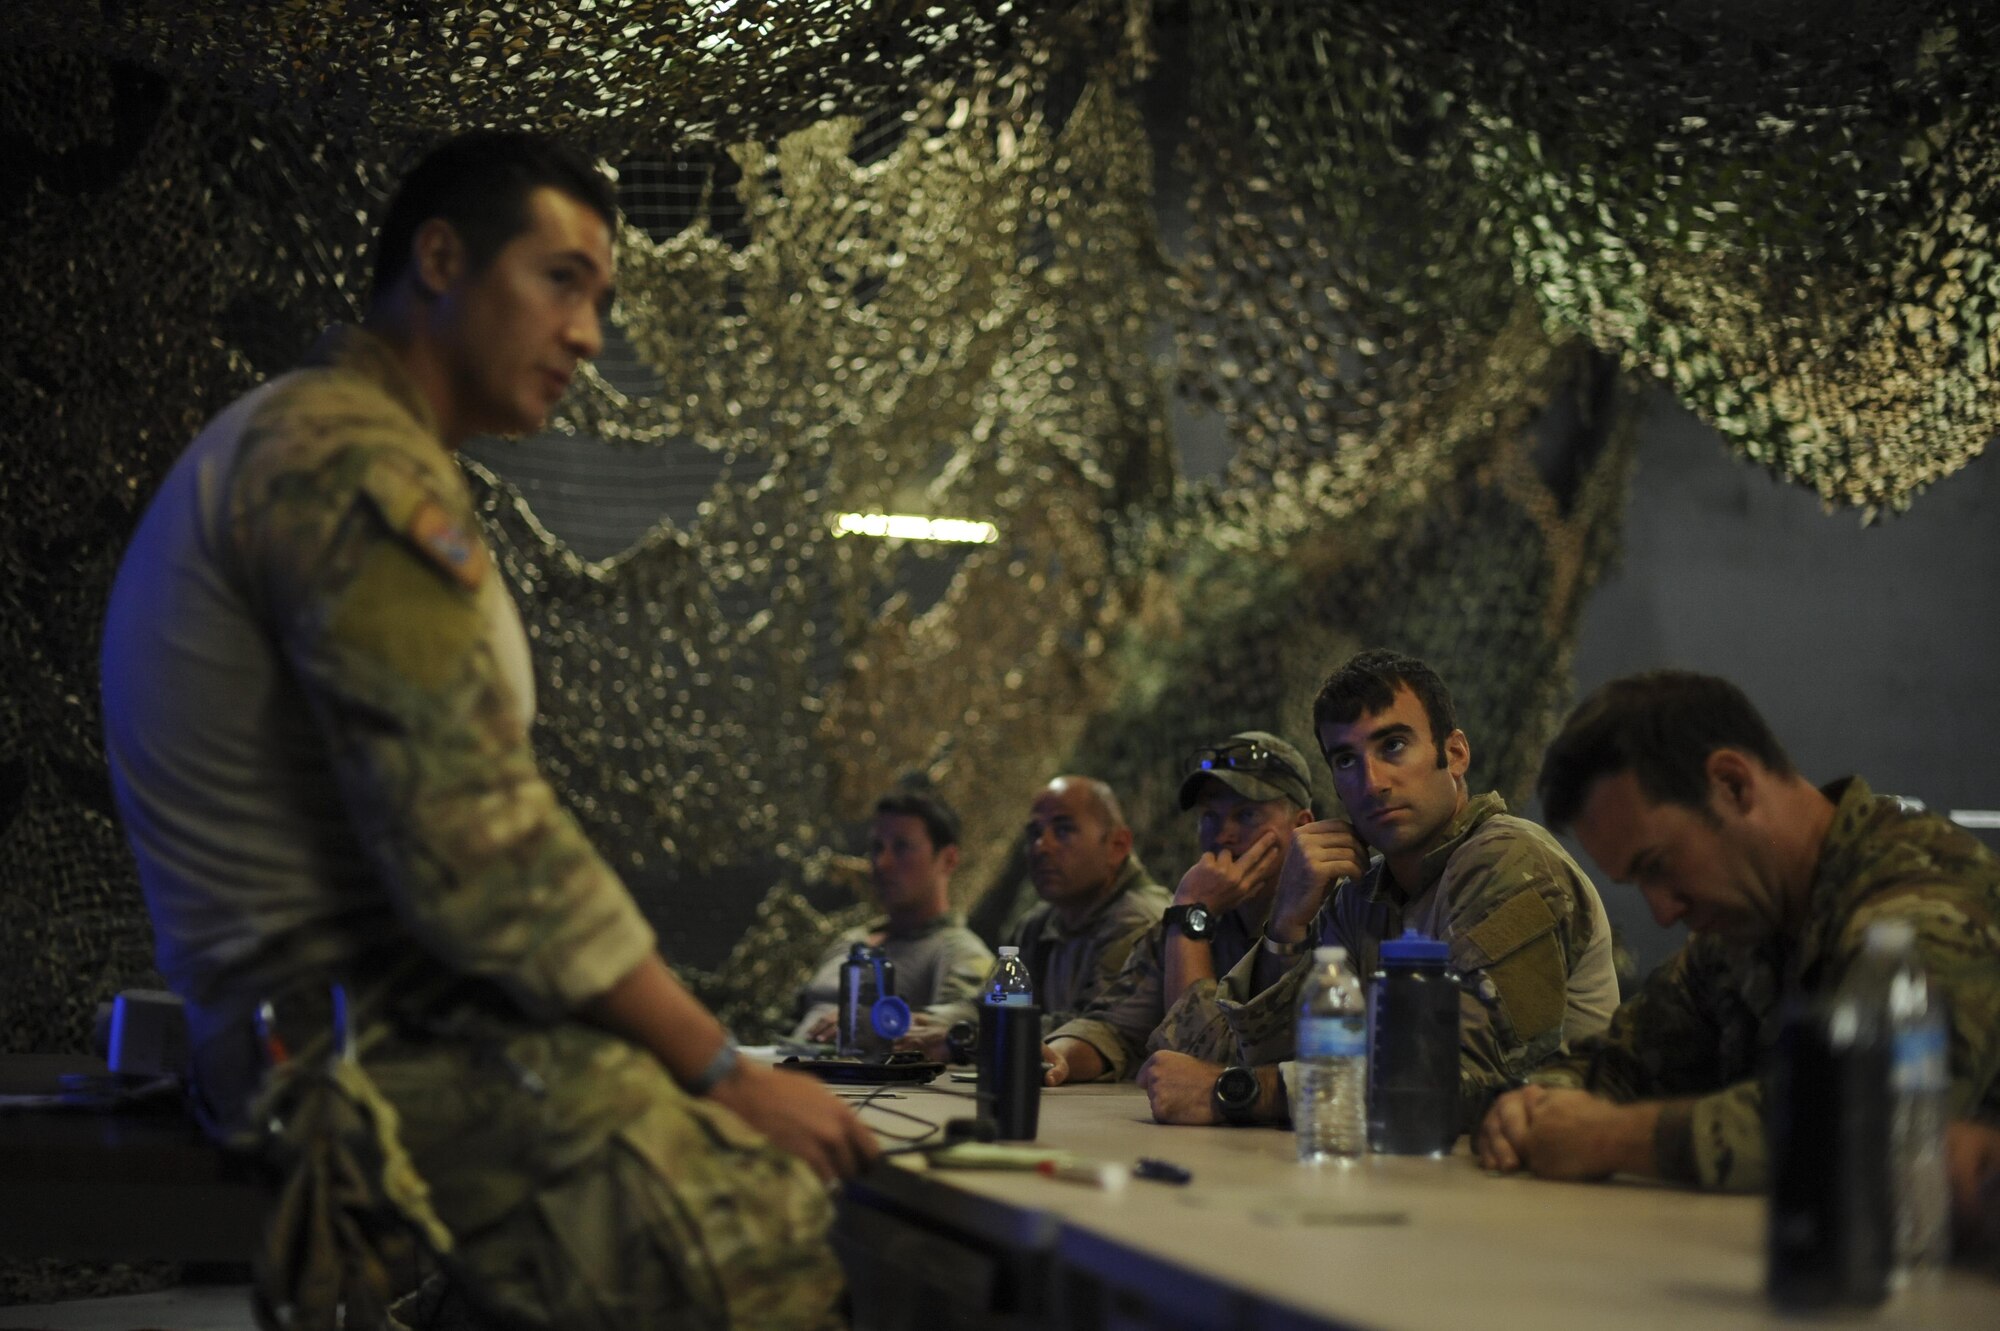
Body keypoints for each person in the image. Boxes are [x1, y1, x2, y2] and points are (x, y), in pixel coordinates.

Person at [100, 130, 873, 1330]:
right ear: (444, 259)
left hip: (354, 1029)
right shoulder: (344, 459)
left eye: (602, 298)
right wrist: (720, 1063)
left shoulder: (328, 441)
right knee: (749, 1246)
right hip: (356, 1050)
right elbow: (477, 846)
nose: (588, 334)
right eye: (560, 280)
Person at [1474, 671, 2000, 1193]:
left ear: (1733, 785)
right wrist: (1534, 1107)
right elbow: (1620, 1063)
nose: (1661, 910)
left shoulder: (1926, 902)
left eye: (1658, 865)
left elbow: (1873, 1114)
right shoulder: (1741, 930)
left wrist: (1614, 1139)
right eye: (1636, 882)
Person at [1137, 650, 1619, 1130]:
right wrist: (1287, 924)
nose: (1371, 782)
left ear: (1454, 754)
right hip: (1423, 1178)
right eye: (1346, 760)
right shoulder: (1360, 893)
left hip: (1539, 1192)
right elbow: (1261, 1054)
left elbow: (1461, 1082)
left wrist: (1239, 1093)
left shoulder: (1508, 860)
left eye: (1392, 746)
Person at [1043, 733, 1316, 1085]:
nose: (1223, 836)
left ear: (1302, 827)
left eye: (1246, 815)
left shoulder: (1330, 915)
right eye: (1209, 817)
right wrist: (1059, 1056)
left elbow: (1200, 1066)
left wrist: (1191, 914)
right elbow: (1114, 1027)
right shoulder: (1202, 913)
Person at [792, 785, 993, 1043]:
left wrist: (876, 1023)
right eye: (877, 847)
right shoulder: (851, 940)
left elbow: (962, 1025)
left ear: (948, 859)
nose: (882, 863)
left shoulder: (958, 950)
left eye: (901, 847)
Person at [1002, 775, 1169, 1031]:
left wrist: (980, 1034)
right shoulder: (1038, 926)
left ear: (1117, 845)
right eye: (1035, 833)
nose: (1040, 847)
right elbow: (995, 1002)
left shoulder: (1141, 922)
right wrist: (945, 1025)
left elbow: (1095, 1029)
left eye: (1063, 830)